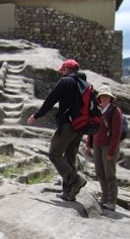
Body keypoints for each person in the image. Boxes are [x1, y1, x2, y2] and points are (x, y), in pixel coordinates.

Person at [26, 59, 89, 201]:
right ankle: (68, 192)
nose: (61, 73)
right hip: (80, 126)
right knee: (70, 157)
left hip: (67, 124)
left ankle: (76, 179)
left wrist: (36, 116)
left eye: (62, 71)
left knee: (54, 153)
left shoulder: (65, 82)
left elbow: (51, 100)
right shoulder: (84, 83)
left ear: (66, 69)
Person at [84, 86, 123, 211]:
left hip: (108, 146)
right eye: (102, 96)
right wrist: (88, 145)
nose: (104, 98)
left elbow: (117, 133)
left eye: (107, 96)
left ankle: (112, 201)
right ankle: (105, 198)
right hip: (97, 145)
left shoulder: (115, 111)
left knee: (110, 174)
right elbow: (92, 128)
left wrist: (111, 151)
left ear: (110, 98)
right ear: (99, 98)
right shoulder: (97, 110)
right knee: (100, 173)